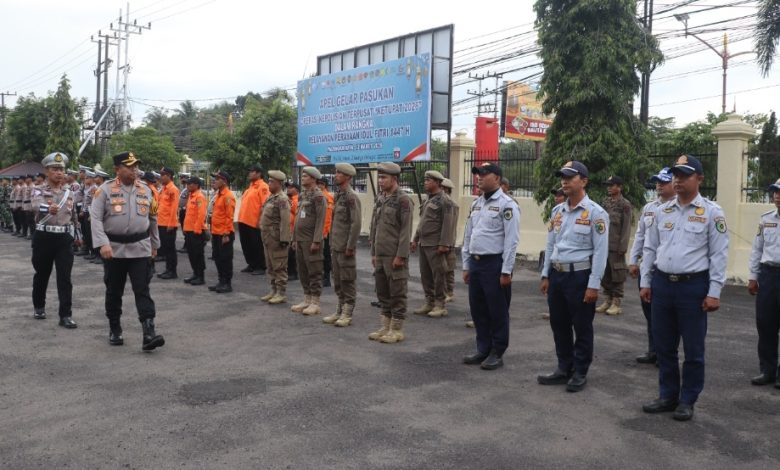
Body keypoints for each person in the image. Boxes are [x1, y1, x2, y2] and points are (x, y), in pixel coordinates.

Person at [640, 154, 729, 421]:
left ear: (699, 179)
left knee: (693, 349)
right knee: (664, 346)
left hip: (693, 287)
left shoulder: (712, 212)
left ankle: (688, 399)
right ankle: (667, 395)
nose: (677, 180)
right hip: (662, 284)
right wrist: (646, 281)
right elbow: (650, 247)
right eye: (675, 175)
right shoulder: (662, 211)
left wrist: (714, 292)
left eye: (684, 175)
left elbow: (719, 254)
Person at [539, 161, 608, 391]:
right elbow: (551, 244)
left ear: (584, 181)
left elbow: (600, 252)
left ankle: (580, 371)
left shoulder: (596, 213)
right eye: (563, 177)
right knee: (559, 324)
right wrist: (545, 274)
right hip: (557, 275)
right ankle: (563, 367)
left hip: (580, 276)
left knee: (582, 325)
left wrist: (593, 285)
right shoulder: (557, 211)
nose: (564, 181)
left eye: (570, 177)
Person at [90, 151, 164, 350]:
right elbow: (95, 219)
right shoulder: (104, 190)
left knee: (142, 289)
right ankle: (115, 328)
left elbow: (153, 219)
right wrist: (102, 243)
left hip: (140, 248)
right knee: (114, 291)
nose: (134, 170)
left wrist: (155, 245)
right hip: (114, 249)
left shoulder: (146, 190)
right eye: (129, 167)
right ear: (117, 169)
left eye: (136, 166)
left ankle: (149, 332)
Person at [461, 163, 520, 370]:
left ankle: (497, 351)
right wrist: (466, 264)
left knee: (497, 310)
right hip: (476, 263)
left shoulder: (507, 205)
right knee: (478, 309)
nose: (479, 177)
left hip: (494, 264)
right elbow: (468, 235)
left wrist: (506, 270)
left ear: (496, 178)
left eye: (484, 174)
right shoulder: (476, 204)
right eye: (477, 174)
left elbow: (512, 240)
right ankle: (483, 348)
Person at [628, 168, 675, 365]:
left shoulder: (678, 208)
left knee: (666, 316)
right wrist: (633, 260)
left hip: (665, 270)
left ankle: (666, 354)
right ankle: (653, 350)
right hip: (647, 268)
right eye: (657, 182)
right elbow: (640, 235)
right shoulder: (649, 208)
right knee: (649, 313)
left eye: (664, 182)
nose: (659, 185)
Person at [29, 152, 78, 327]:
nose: (59, 173)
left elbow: (74, 216)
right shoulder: (38, 189)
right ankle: (39, 306)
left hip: (64, 238)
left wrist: (78, 236)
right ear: (47, 171)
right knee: (42, 274)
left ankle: (65, 315)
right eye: (54, 169)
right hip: (44, 237)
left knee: (65, 277)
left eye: (61, 169)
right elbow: (35, 204)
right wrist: (47, 208)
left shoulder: (69, 193)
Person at [368, 162, 413, 344]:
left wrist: (401, 255)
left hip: (394, 255)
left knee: (397, 292)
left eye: (384, 177)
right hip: (381, 254)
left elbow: (405, 230)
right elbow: (375, 227)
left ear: (394, 179)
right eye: (379, 177)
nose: (380, 181)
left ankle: (396, 329)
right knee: (383, 292)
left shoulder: (403, 200)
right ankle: (385, 326)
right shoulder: (381, 198)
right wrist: (373, 252)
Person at [747, 177, 780, 388]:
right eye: (775, 191)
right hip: (768, 276)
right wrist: (753, 276)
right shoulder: (766, 219)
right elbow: (757, 249)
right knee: (765, 323)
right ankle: (767, 370)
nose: (777, 195)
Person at [411, 170, 455, 318]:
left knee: (438, 275)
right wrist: (415, 239)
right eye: (425, 180)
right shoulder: (428, 199)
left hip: (436, 244)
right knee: (426, 275)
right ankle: (429, 302)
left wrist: (444, 244)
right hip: (424, 243)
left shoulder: (445, 201)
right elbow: (423, 222)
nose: (425, 183)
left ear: (437, 182)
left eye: (428, 180)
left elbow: (448, 224)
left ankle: (440, 304)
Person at [322, 163, 362, 327]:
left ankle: (347, 312)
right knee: (338, 279)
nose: (336, 175)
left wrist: (350, 246)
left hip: (345, 247)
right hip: (336, 245)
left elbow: (356, 223)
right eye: (336, 172)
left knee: (347, 279)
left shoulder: (351, 197)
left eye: (339, 173)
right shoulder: (339, 195)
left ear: (348, 177)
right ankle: (339, 309)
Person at [290, 167, 327, 315]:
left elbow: (320, 219)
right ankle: (307, 299)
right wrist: (294, 238)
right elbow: (298, 217)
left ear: (313, 178)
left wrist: (316, 241)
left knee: (314, 271)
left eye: (305, 176)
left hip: (311, 240)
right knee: (303, 270)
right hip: (300, 239)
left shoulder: (318, 196)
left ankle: (315, 303)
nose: (303, 177)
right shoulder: (303, 195)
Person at [595, 176, 633, 316]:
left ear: (619, 187)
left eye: (612, 185)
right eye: (608, 185)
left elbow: (626, 227)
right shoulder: (605, 203)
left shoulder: (625, 205)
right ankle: (607, 300)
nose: (609, 188)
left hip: (616, 246)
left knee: (617, 274)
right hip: (603, 244)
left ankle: (616, 303)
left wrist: (623, 246)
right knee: (605, 273)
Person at [260, 171, 292, 304]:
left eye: (271, 181)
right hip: (268, 237)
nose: (269, 184)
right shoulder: (271, 197)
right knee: (270, 265)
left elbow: (285, 221)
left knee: (279, 266)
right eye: (269, 181)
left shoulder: (282, 199)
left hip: (277, 238)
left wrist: (284, 239)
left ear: (279, 183)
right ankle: (273, 290)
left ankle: (281, 293)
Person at [238, 164, 269, 275]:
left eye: (252, 171)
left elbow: (265, 205)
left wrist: (260, 220)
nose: (249, 173)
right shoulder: (250, 187)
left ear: (259, 173)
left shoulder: (263, 186)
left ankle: (260, 266)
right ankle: (251, 264)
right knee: (246, 245)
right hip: (244, 220)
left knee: (257, 245)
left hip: (254, 222)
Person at [208, 170, 236, 293]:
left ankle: (227, 284)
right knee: (218, 258)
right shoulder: (218, 195)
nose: (215, 181)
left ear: (224, 181)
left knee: (225, 259)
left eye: (217, 179)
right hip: (216, 232)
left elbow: (229, 217)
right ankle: (221, 281)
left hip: (224, 233)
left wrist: (226, 233)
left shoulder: (228, 196)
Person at [182, 176, 208, 286]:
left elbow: (201, 215)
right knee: (191, 254)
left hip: (196, 231)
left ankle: (200, 276)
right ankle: (195, 274)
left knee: (198, 254)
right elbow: (188, 214)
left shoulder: (199, 197)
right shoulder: (191, 196)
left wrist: (197, 230)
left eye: (190, 184)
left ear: (196, 185)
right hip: (189, 230)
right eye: (187, 184)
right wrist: (185, 228)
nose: (187, 185)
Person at [156, 167, 181, 279]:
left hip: (168, 224)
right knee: (166, 248)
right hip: (161, 222)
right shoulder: (164, 189)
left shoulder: (173, 189)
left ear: (169, 176)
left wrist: (171, 224)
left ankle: (172, 271)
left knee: (170, 249)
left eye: (163, 175)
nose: (161, 177)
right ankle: (168, 269)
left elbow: (174, 208)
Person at [441, 178, 459, 304]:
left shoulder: (451, 204)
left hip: (448, 240)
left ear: (446, 189)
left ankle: (449, 292)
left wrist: (447, 242)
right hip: (441, 239)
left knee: (448, 267)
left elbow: (450, 225)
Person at [317, 176, 335, 288]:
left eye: (321, 184)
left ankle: (326, 277)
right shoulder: (317, 196)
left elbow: (328, 217)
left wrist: (325, 231)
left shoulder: (327, 197)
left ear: (325, 186)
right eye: (318, 183)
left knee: (325, 254)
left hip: (324, 231)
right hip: (317, 230)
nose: (319, 185)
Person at [286, 182, 300, 281]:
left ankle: (293, 273)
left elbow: (297, 217)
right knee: (289, 253)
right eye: (288, 187)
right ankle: (290, 272)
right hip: (289, 230)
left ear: (297, 190)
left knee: (292, 253)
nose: (288, 189)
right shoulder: (290, 200)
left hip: (294, 231)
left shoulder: (296, 200)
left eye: (291, 188)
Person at [177, 172, 191, 253]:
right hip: (182, 210)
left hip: (186, 211)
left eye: (183, 178)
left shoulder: (189, 189)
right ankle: (186, 245)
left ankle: (187, 246)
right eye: (181, 178)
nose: (181, 180)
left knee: (186, 229)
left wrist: (185, 208)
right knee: (184, 229)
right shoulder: (184, 188)